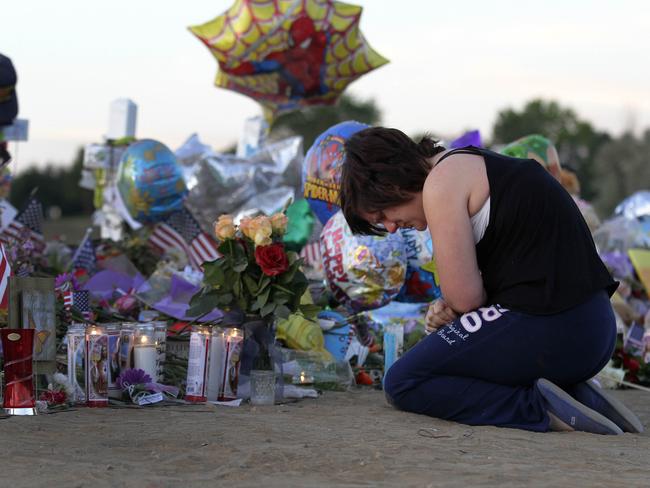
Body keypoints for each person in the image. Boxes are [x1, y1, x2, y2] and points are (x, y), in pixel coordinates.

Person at [339, 127, 643, 434]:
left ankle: (539, 407)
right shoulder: (471, 164)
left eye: (382, 215)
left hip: (557, 329)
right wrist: (450, 306)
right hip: (592, 328)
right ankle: (573, 394)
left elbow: (466, 300)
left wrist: (450, 307)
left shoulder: (442, 183)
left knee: (404, 380)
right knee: (447, 355)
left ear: (389, 183)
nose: (391, 229)